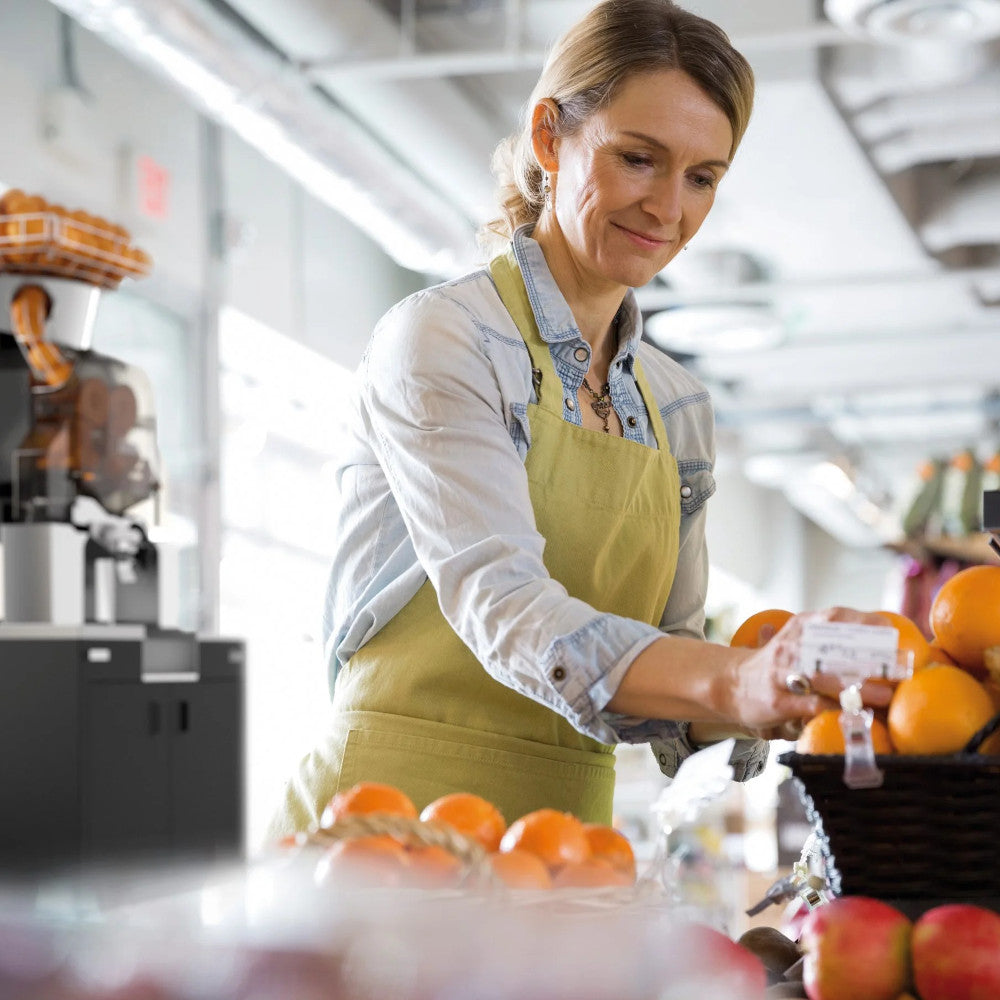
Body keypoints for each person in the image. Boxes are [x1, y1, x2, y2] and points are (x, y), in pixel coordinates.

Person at [270, 0, 885, 835]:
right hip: (383, 825)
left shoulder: (677, 408)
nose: (669, 209)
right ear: (549, 138)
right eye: (639, 158)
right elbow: (506, 608)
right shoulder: (445, 339)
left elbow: (675, 670)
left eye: (703, 177)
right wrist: (732, 681)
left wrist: (784, 681)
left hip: (563, 845)